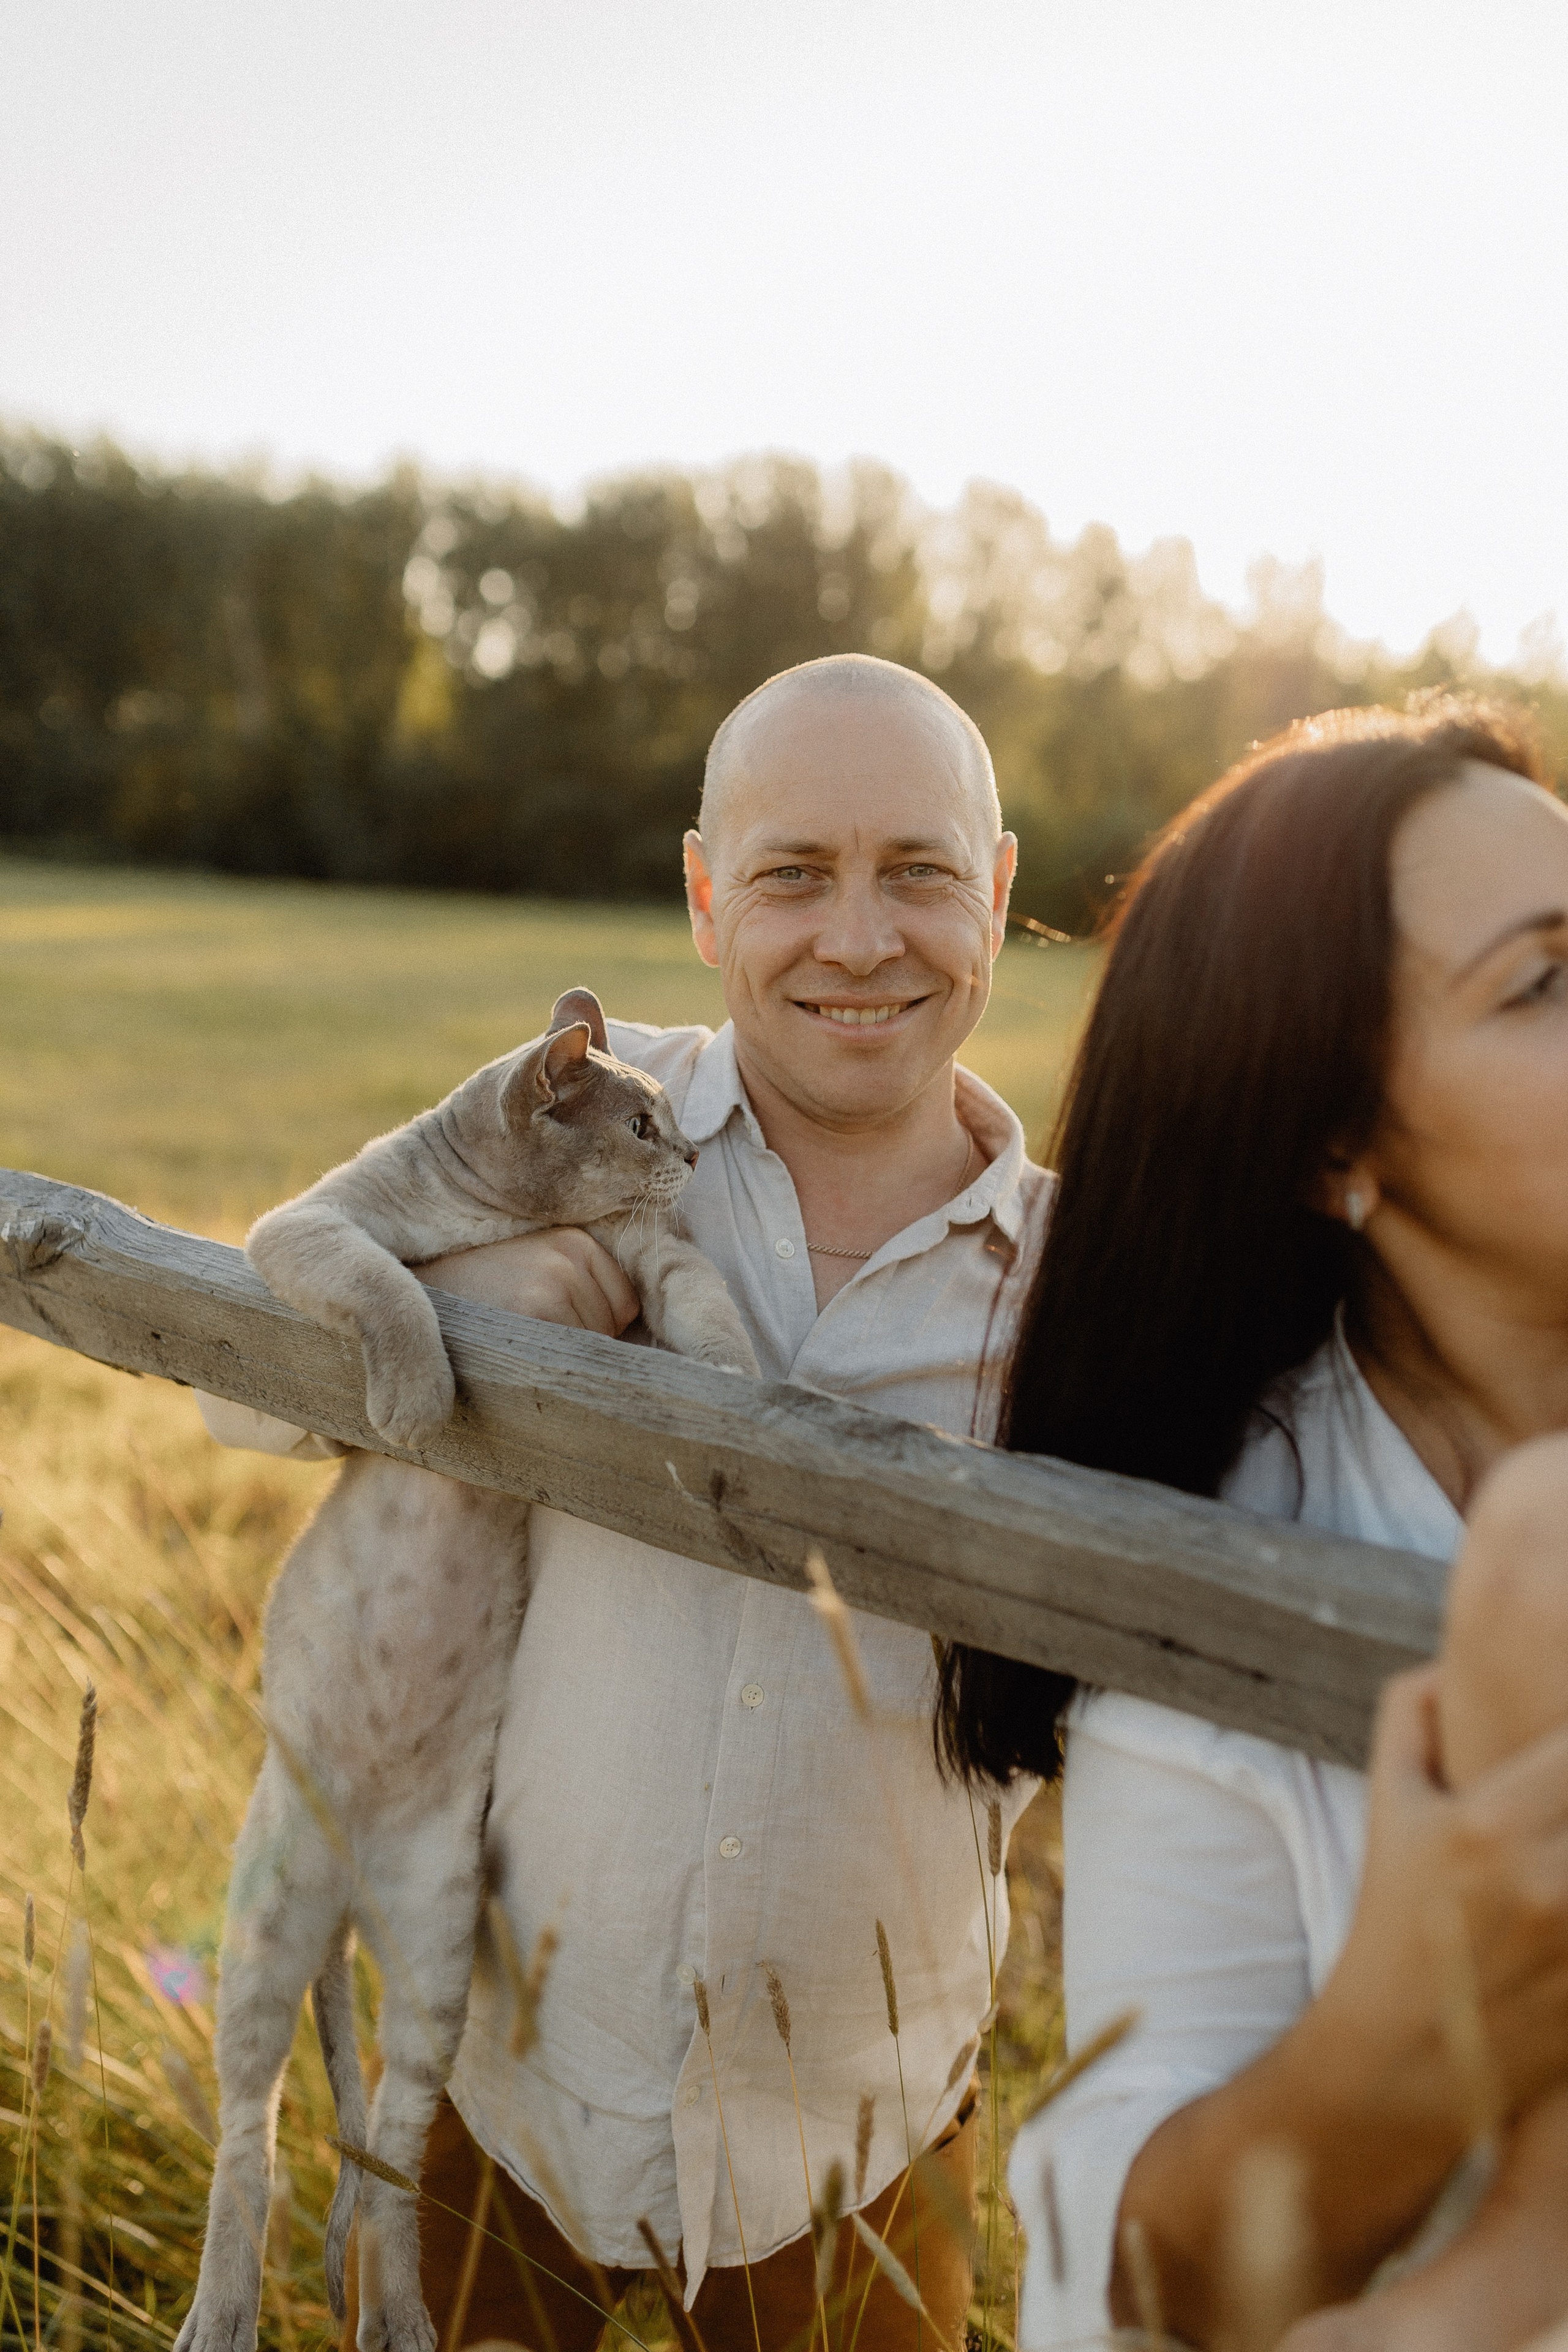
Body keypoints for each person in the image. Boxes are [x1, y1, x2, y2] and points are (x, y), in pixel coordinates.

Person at [197, 653, 1052, 2349]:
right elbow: (235, 1390)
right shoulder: (568, 1121)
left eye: (921, 872)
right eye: (794, 874)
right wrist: (487, 1298)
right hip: (507, 2086)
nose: (861, 937)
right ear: (702, 893)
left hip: (856, 2143)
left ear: (1000, 890)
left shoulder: (1075, 1280)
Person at [935, 695, 1568, 2350]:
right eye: (1546, 979)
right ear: (1334, 1140)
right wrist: (1403, 2045)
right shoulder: (1238, 1556)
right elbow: (1127, 2292)